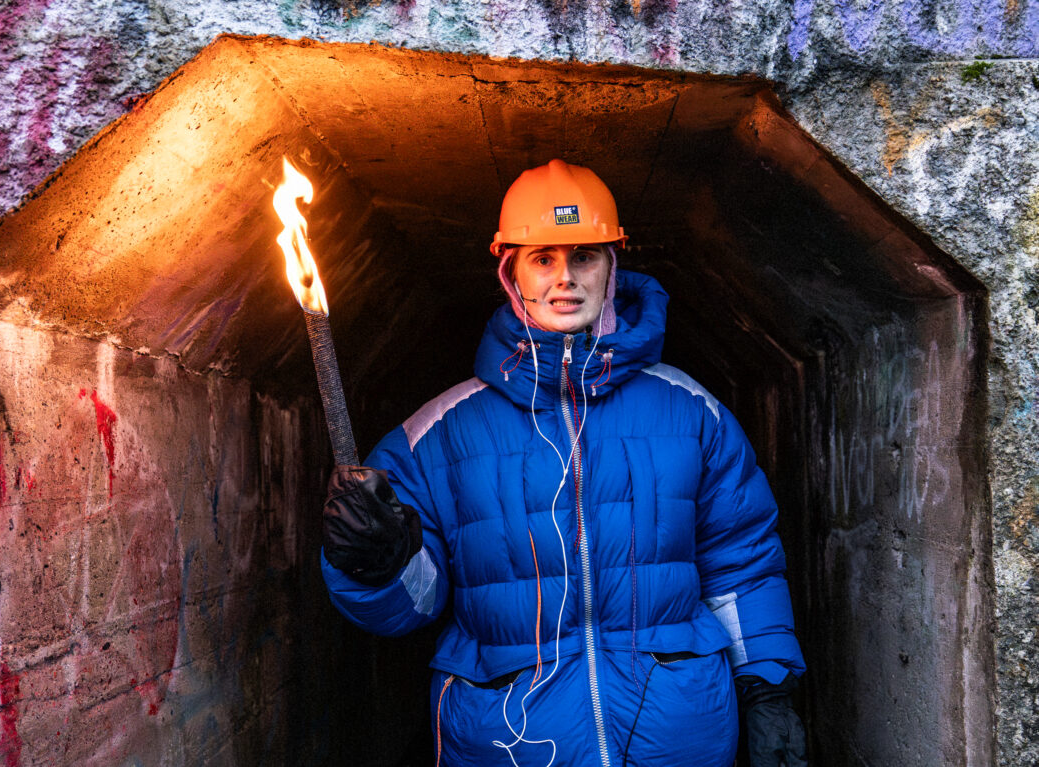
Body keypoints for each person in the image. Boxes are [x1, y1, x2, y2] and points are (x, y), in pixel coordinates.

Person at [320, 159, 807, 766]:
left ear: (612, 265)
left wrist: (768, 692)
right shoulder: (439, 435)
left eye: (584, 257)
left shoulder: (691, 412)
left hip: (677, 735)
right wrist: (375, 564)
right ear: (509, 271)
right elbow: (413, 606)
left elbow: (742, 564)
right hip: (510, 739)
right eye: (542, 258)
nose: (565, 279)